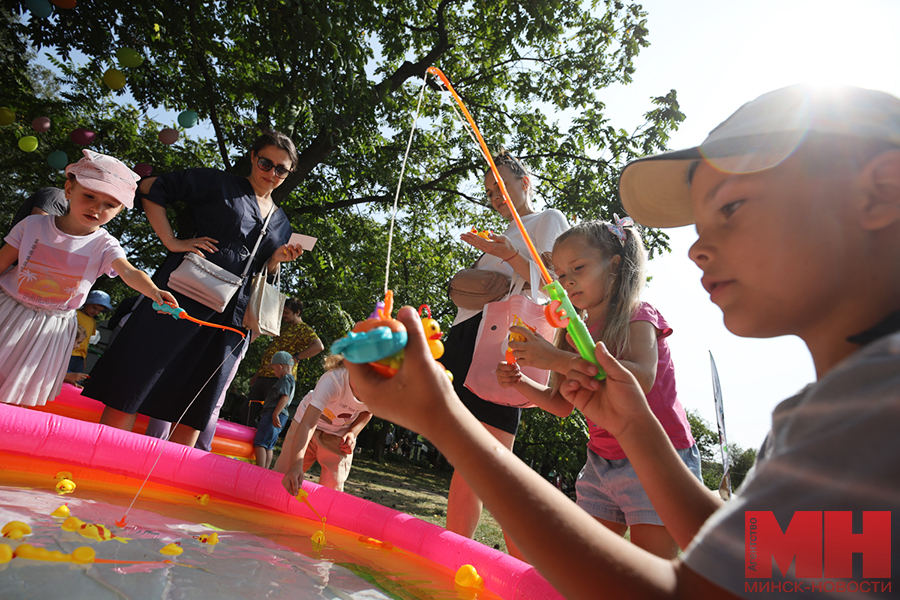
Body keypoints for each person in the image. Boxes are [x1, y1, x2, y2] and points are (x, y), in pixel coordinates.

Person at [344, 84, 900, 599]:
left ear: (882, 190)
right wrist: (636, 430)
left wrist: (443, 419)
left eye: (730, 208)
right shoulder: (833, 411)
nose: (697, 250)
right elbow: (752, 559)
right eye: (700, 227)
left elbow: (691, 592)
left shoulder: (876, 413)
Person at [85, 129, 304, 448]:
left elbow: (262, 271)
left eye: (281, 169)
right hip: (177, 299)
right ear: (253, 157)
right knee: (133, 385)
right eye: (265, 163)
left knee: (194, 407)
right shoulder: (217, 182)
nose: (271, 172)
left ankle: (163, 491)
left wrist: (276, 260)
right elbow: (150, 188)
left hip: (228, 321)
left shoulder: (283, 221)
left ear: (289, 172)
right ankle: (98, 469)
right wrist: (172, 241)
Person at [496, 219, 700, 558]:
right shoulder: (574, 332)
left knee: (651, 568)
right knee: (584, 561)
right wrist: (522, 381)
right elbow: (560, 404)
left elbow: (640, 378)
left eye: (578, 267)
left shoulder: (639, 315)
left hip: (657, 455)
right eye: (560, 274)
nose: (567, 281)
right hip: (602, 461)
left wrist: (557, 360)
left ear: (614, 266)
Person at [439, 149, 569, 558]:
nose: (495, 196)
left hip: (500, 344)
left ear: (524, 182)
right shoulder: (503, 234)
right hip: (465, 339)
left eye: (502, 186)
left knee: (494, 461)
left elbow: (551, 283)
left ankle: (526, 570)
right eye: (490, 190)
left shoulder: (548, 221)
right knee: (468, 457)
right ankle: (454, 559)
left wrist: (507, 254)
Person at [0, 150, 177, 407]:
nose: (97, 208)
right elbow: (3, 260)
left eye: (110, 204)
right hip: (9, 310)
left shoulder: (105, 244)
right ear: (69, 190)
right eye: (89, 196)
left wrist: (153, 291)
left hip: (51, 326)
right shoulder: (33, 226)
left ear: (119, 210)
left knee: (18, 390)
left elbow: (128, 271)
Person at [278, 354, 372, 493]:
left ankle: (324, 512)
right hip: (305, 425)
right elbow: (307, 424)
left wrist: (352, 432)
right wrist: (295, 465)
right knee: (284, 475)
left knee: (332, 485)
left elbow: (368, 412)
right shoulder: (334, 381)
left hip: (338, 434)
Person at [245, 297, 324, 426]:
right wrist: (258, 373)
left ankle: (262, 444)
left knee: (268, 414)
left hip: (278, 378)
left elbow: (318, 346)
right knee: (248, 410)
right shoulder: (283, 328)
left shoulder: (304, 329)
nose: (283, 316)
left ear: (297, 312)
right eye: (282, 312)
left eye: (286, 312)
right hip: (263, 376)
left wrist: (296, 358)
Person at [252, 351, 296, 469]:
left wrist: (275, 413)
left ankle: (259, 469)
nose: (274, 372)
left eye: (274, 369)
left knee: (260, 443)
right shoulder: (291, 380)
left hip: (273, 413)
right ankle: (264, 470)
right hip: (281, 414)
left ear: (279, 366)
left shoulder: (285, 379)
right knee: (269, 445)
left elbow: (285, 396)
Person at [68, 289, 113, 374]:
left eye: (99, 311)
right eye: (94, 308)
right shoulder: (74, 314)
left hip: (80, 357)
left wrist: (84, 358)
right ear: (86, 302)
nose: (96, 312)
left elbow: (86, 341)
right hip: (68, 354)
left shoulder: (93, 322)